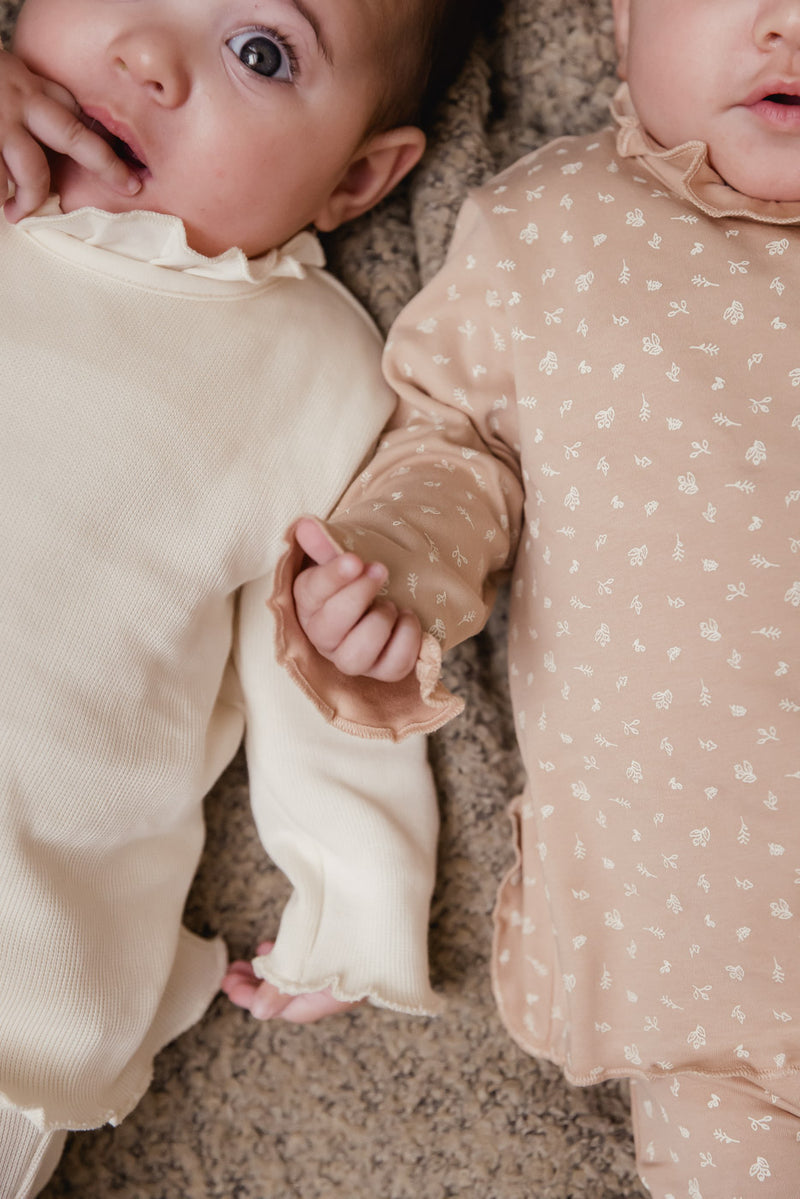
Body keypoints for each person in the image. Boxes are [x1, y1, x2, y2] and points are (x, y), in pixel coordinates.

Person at [273, 1, 800, 1194]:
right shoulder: (548, 230)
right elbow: (453, 449)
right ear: (618, 26)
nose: (786, 27)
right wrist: (390, 571)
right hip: (693, 971)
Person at [0, 0, 483, 1193]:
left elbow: (320, 654)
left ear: (357, 179)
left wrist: (354, 904)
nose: (143, 58)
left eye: (260, 50)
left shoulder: (313, 368)